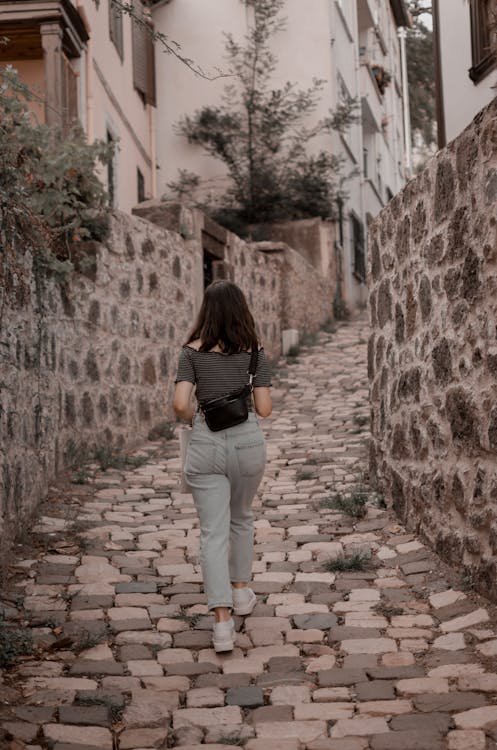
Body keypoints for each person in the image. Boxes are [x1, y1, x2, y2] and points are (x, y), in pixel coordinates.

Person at [173, 280, 272, 652]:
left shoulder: (191, 353)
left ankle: (222, 625)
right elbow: (263, 409)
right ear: (241, 310)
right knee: (242, 517)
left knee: (212, 533)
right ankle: (242, 591)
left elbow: (181, 404)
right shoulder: (255, 354)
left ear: (207, 312)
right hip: (247, 442)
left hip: (205, 442)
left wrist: (194, 413)